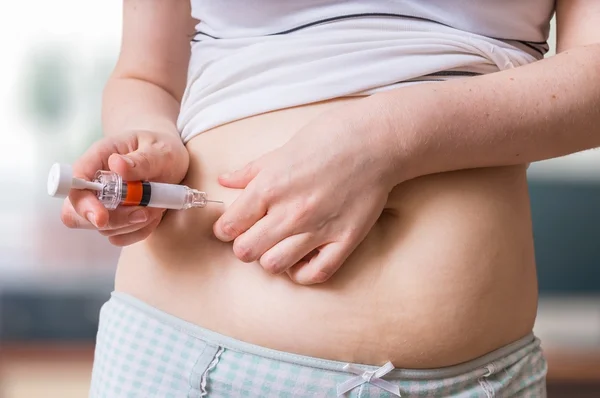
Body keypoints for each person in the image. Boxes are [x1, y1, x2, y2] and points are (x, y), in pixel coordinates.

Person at [60, 0, 599, 396]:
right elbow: (145, 73)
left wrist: (387, 137)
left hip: (456, 381)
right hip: (170, 356)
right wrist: (145, 138)